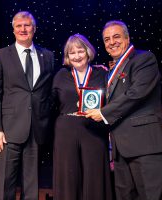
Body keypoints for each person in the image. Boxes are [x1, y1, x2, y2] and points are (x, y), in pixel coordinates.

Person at [85, 20, 162, 200]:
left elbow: (136, 93)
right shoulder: (109, 72)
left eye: (116, 37)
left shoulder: (144, 59)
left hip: (145, 145)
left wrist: (103, 113)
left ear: (127, 38)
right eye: (107, 39)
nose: (111, 42)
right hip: (120, 150)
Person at [0, 11, 55, 199]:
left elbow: (49, 92)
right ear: (13, 29)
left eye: (27, 25)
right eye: (19, 26)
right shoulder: (1, 55)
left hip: (36, 130)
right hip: (8, 131)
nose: (23, 29)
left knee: (32, 184)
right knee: (5, 184)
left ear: (34, 28)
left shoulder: (47, 56)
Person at [51, 34, 112, 200]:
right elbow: (49, 104)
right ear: (67, 57)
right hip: (66, 129)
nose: (77, 56)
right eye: (72, 53)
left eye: (80, 51)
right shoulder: (60, 75)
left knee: (95, 174)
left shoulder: (102, 73)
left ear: (88, 52)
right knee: (68, 177)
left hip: (94, 128)